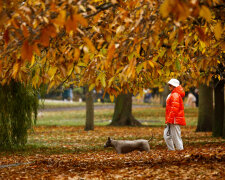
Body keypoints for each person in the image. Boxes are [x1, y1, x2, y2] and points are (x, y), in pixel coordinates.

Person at [164, 78, 186, 151]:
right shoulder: (173, 94)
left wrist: (169, 119)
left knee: (176, 136)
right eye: (169, 85)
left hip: (174, 119)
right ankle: (171, 150)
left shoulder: (175, 95)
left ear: (174, 86)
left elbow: (174, 108)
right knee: (167, 135)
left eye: (170, 85)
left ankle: (180, 150)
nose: (169, 86)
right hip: (171, 119)